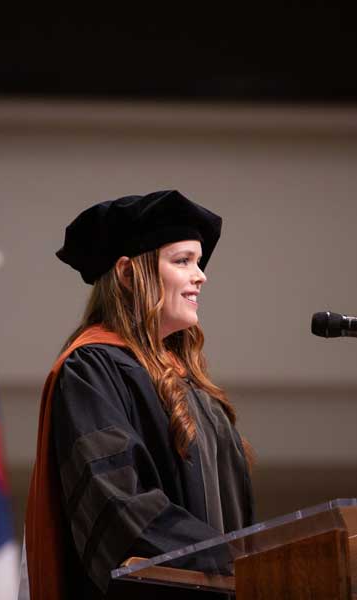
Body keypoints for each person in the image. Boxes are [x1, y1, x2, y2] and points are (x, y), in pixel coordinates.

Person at [21, 190, 255, 600]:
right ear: (129, 273)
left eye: (197, 262)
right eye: (183, 261)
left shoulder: (191, 384)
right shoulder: (93, 371)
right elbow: (117, 509)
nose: (201, 275)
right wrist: (234, 564)